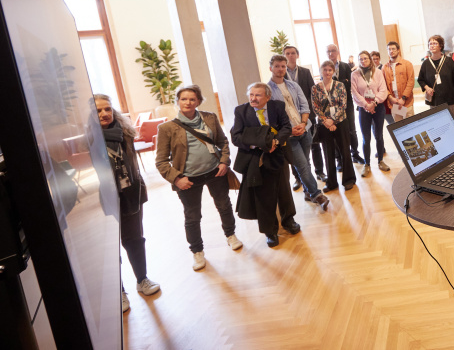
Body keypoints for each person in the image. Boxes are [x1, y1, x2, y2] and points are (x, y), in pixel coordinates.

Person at [155, 85, 242, 270]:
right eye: (184, 99)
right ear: (177, 101)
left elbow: (222, 142)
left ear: (198, 101)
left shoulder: (209, 117)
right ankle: (197, 251)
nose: (188, 102)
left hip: (215, 172)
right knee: (192, 216)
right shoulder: (166, 128)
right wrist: (177, 179)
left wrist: (224, 162)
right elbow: (161, 161)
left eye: (192, 99)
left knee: (224, 205)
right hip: (187, 179)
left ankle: (231, 235)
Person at [94, 95, 160, 312]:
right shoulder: (90, 140)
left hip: (130, 194)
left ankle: (142, 280)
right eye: (98, 111)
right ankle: (119, 292)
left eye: (107, 109)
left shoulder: (126, 134)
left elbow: (133, 165)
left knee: (135, 239)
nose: (104, 114)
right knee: (112, 248)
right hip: (106, 199)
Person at [230, 82, 302, 247]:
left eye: (258, 95)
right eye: (251, 95)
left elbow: (285, 127)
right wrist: (258, 143)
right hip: (257, 158)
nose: (253, 98)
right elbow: (236, 137)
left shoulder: (277, 106)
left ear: (267, 97)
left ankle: (288, 220)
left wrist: (275, 141)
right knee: (264, 195)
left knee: (284, 190)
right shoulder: (241, 111)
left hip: (279, 154)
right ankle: (270, 231)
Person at [267, 55, 329, 210]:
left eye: (283, 66)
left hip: (304, 129)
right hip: (288, 135)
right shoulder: (267, 90)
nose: (281, 69)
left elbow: (304, 106)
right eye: (277, 66)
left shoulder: (293, 85)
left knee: (305, 163)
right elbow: (270, 117)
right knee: (302, 165)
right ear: (271, 68)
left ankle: (308, 192)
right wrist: (288, 130)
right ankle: (316, 194)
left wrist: (302, 123)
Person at [312, 60, 358, 192]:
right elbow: (315, 108)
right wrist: (326, 121)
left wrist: (333, 120)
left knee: (345, 150)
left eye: (330, 70)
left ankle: (349, 179)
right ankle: (331, 182)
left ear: (333, 72)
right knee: (328, 153)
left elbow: (343, 105)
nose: (327, 72)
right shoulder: (315, 88)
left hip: (340, 122)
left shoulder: (340, 85)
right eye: (325, 69)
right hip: (324, 125)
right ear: (321, 71)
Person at [283, 44, 326, 183]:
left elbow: (312, 93)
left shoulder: (305, 72)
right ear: (284, 56)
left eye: (293, 53)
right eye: (288, 53)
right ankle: (298, 178)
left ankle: (320, 171)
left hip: (307, 115)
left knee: (314, 144)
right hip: (290, 118)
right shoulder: (281, 74)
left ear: (297, 55)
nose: (290, 55)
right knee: (293, 149)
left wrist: (305, 109)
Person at [351, 50, 390, 176]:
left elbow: (383, 90)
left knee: (379, 135)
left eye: (365, 58)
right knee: (366, 137)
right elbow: (355, 93)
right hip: (364, 109)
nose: (363, 61)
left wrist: (374, 103)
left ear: (370, 59)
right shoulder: (355, 74)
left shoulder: (378, 72)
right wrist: (366, 105)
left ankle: (381, 161)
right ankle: (367, 164)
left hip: (378, 107)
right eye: (360, 59)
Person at [326, 44, 365, 165]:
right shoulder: (325, 67)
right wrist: (342, 82)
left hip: (347, 103)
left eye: (333, 51)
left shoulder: (345, 66)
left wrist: (338, 83)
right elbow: (326, 85)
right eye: (328, 51)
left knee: (352, 130)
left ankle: (355, 154)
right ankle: (340, 159)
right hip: (332, 105)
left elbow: (350, 85)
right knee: (336, 131)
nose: (331, 53)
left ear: (337, 52)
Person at [417, 34, 454, 118]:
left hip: (451, 100)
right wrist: (427, 88)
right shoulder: (426, 63)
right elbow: (420, 80)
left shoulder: (449, 61)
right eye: (430, 44)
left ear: (441, 46)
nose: (432, 46)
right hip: (435, 101)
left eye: (435, 43)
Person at [383, 41, 415, 125]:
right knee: (400, 128)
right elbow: (384, 85)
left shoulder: (407, 64)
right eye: (389, 49)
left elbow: (411, 82)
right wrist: (390, 97)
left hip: (406, 102)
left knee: (411, 126)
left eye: (393, 49)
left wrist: (403, 98)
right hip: (394, 103)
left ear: (398, 50)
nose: (391, 51)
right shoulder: (385, 67)